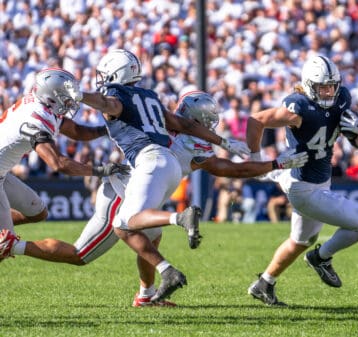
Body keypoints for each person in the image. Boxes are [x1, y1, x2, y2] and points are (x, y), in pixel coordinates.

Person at [6, 91, 308, 307]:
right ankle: (12, 244)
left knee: (153, 235)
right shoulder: (193, 144)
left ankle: (146, 294)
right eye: (208, 121)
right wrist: (275, 164)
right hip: (122, 192)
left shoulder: (160, 121)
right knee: (80, 254)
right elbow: (230, 169)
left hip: (134, 183)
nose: (210, 125)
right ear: (199, 120)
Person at [64, 49, 253, 304]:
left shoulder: (116, 95)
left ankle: (180, 219)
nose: (102, 79)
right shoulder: (149, 96)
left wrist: (83, 97)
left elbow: (110, 104)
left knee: (124, 223)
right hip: (167, 164)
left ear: (115, 73)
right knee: (151, 234)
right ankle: (146, 294)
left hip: (149, 162)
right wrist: (224, 142)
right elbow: (183, 124)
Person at [245, 55, 358, 306]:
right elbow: (256, 120)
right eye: (322, 87)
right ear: (307, 85)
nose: (328, 92)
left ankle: (264, 284)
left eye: (331, 86)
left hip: (317, 181)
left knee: (301, 240)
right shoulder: (299, 107)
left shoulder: (342, 98)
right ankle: (321, 258)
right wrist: (255, 159)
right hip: (304, 187)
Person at [0, 68, 129, 260]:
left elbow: (76, 131)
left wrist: (108, 130)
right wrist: (99, 171)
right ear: (52, 96)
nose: (70, 101)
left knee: (38, 212)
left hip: (3, 173)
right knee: (5, 245)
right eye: (66, 96)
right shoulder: (34, 120)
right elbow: (58, 163)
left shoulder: (43, 105)